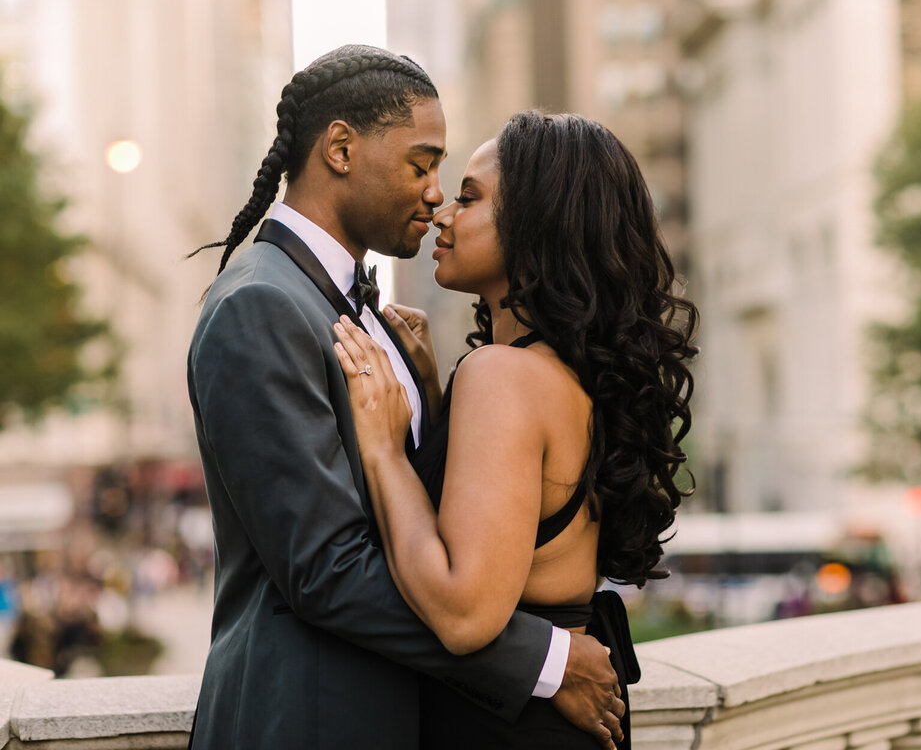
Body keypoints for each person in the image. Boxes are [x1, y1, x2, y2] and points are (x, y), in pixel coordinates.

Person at [186, 46, 624, 750]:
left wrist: (428, 400)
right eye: (422, 165)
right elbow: (326, 567)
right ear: (340, 148)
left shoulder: (371, 317)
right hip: (311, 720)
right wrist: (543, 661)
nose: (435, 195)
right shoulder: (261, 305)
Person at [331, 110, 699, 747]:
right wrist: (436, 401)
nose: (442, 211)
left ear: (538, 227)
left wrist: (385, 449)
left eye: (470, 198)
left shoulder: (502, 377)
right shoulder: (564, 374)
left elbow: (463, 611)